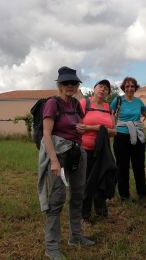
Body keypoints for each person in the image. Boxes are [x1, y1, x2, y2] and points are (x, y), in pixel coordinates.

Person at [37, 66, 95, 260]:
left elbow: (78, 127)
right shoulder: (53, 104)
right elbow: (46, 134)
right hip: (59, 156)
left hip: (78, 153)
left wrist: (81, 129)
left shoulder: (77, 104)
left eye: (74, 83)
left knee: (78, 195)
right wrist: (53, 161)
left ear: (78, 85)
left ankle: (76, 237)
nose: (70, 86)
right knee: (56, 200)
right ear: (59, 85)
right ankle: (51, 247)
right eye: (66, 83)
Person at [110, 77, 146, 202]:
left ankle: (142, 195)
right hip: (121, 136)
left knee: (139, 166)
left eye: (132, 86)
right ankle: (124, 196)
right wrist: (112, 127)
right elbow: (110, 113)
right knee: (122, 167)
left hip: (137, 136)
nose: (130, 88)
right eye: (127, 86)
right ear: (124, 88)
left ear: (135, 88)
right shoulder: (118, 100)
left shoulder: (139, 102)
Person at [76, 79, 116, 226]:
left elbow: (114, 131)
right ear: (94, 88)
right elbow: (78, 126)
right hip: (85, 149)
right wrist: (99, 128)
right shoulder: (84, 104)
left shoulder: (108, 108)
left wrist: (95, 128)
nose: (103, 90)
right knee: (86, 182)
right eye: (100, 86)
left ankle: (101, 210)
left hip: (103, 151)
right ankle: (84, 216)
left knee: (101, 179)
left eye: (106, 88)